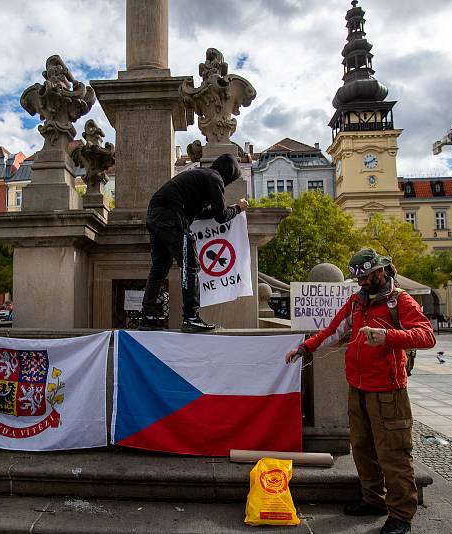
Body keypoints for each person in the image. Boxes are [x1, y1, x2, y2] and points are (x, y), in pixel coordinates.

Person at [284, 249, 435, 534]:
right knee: (363, 449)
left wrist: (389, 337)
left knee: (393, 453)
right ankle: (372, 499)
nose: (361, 282)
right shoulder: (356, 302)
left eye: (365, 277)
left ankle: (401, 514)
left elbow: (427, 335)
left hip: (389, 391)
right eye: (358, 278)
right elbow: (333, 331)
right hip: (358, 387)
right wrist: (304, 348)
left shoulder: (400, 300)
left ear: (380, 272)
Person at [139, 153, 248, 333]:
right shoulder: (216, 178)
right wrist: (237, 208)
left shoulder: (202, 176)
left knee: (159, 268)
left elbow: (201, 213)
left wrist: (221, 210)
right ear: (229, 173)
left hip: (154, 215)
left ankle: (147, 316)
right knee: (190, 266)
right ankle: (191, 317)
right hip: (172, 217)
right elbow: (221, 216)